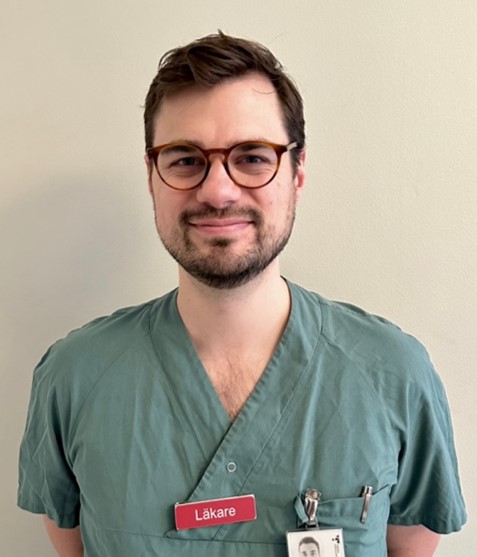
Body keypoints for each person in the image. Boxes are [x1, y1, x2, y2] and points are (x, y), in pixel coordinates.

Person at [18, 32, 466, 557]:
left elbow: (410, 546)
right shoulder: (73, 378)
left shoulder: (394, 375)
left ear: (298, 172)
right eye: (185, 159)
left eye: (252, 157)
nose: (217, 190)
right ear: (151, 176)